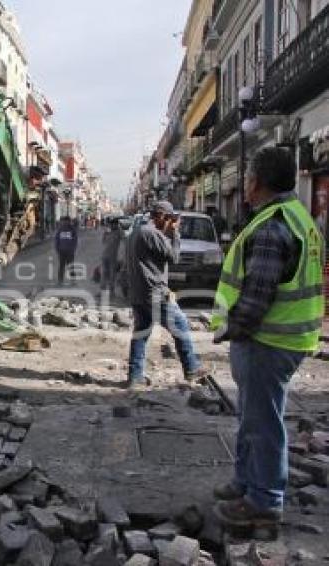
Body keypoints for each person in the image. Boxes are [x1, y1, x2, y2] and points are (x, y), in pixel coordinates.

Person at [210, 147, 325, 530]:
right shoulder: (300, 217)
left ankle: (263, 500)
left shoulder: (272, 226)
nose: (244, 184)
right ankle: (246, 482)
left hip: (267, 341)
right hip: (285, 339)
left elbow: (256, 297)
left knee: (262, 421)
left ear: (256, 181)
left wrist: (230, 329)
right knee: (253, 416)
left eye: (246, 178)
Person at [125, 201, 203, 389]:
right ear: (160, 216)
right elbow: (174, 256)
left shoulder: (136, 232)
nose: (169, 223)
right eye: (168, 219)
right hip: (155, 292)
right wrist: (174, 233)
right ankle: (192, 369)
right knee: (181, 327)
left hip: (138, 291)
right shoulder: (151, 233)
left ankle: (135, 377)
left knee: (141, 333)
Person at [100, 217, 122, 295]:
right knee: (103, 273)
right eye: (111, 224)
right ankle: (102, 290)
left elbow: (124, 241)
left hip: (114, 257)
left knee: (112, 274)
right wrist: (105, 233)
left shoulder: (119, 232)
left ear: (117, 225)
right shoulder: (107, 231)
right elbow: (103, 241)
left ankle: (112, 291)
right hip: (104, 256)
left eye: (114, 224)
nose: (112, 226)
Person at [54, 216, 78, 285]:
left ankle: (73, 280)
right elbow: (57, 240)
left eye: (67, 221)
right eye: (64, 221)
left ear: (69, 221)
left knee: (71, 266)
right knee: (61, 266)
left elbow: (75, 240)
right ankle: (60, 280)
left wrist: (73, 249)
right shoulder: (60, 229)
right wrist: (57, 249)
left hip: (70, 251)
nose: (65, 223)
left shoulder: (72, 230)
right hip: (61, 251)